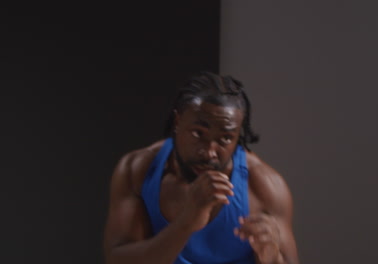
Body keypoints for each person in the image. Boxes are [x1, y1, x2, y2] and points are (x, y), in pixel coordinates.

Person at [103, 72, 299, 264]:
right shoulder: (138, 171)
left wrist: (273, 259)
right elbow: (117, 260)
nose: (209, 152)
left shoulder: (265, 186)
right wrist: (186, 223)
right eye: (198, 133)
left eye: (225, 138)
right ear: (178, 122)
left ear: (238, 136)